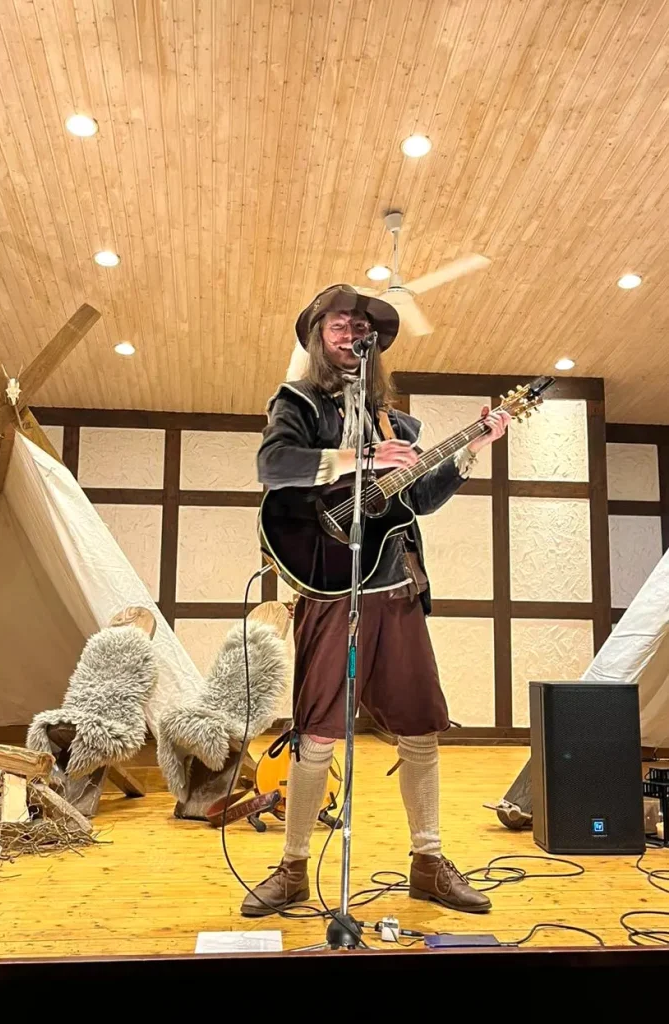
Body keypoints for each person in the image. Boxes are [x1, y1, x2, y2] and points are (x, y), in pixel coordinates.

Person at [242, 284, 510, 918]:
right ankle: (293, 867)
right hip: (331, 588)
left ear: (375, 343)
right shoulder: (299, 402)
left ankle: (428, 861)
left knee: (419, 727)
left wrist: (472, 448)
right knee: (316, 733)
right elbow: (274, 466)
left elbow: (417, 500)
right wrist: (358, 457)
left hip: (397, 589)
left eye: (360, 327)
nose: (350, 334)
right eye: (338, 325)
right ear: (318, 337)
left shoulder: (399, 424)